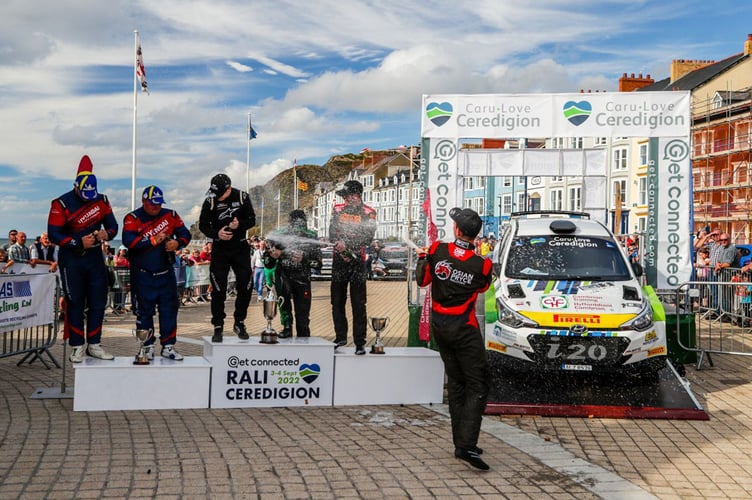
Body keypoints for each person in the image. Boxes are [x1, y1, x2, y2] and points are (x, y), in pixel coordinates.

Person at [415, 207, 493, 471]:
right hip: (465, 329)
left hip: (440, 328)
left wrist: (423, 259)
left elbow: (422, 281)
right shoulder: (483, 264)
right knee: (478, 384)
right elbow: (483, 287)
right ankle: (467, 445)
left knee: (458, 383)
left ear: (457, 230)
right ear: (475, 234)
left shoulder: (437, 250)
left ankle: (462, 442)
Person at [47, 155, 119, 363]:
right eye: (84, 193)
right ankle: (77, 346)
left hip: (95, 259)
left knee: (98, 302)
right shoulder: (61, 203)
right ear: (76, 186)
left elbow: (113, 227)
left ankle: (94, 344)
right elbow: (53, 234)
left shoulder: (102, 200)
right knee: (75, 302)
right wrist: (78, 242)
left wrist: (107, 234)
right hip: (71, 261)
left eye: (91, 194)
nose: (88, 197)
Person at [123, 185, 192, 360]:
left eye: (159, 204)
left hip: (165, 273)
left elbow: (185, 234)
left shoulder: (171, 215)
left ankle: (168, 345)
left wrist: (178, 243)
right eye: (153, 204)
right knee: (144, 312)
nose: (156, 207)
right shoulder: (132, 218)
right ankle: (146, 346)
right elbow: (128, 241)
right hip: (142, 274)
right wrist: (152, 240)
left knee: (169, 310)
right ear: (144, 201)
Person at [199, 173, 256, 343]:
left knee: (246, 285)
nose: (217, 197)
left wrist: (240, 225)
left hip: (240, 247)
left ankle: (239, 321)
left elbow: (252, 220)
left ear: (229, 189)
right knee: (218, 289)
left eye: (221, 194)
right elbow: (203, 225)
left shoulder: (242, 196)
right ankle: (218, 325)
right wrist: (216, 234)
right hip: (220, 249)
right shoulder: (210, 201)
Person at [329, 180, 377, 354]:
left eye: (350, 195)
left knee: (358, 304)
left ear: (357, 195)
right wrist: (339, 245)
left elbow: (368, 236)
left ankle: (359, 342)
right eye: (345, 196)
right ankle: (340, 337)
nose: (348, 199)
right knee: (337, 302)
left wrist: (348, 246)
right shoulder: (337, 209)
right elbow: (331, 232)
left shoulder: (369, 212)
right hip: (339, 261)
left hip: (358, 262)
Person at [264, 210, 322, 338]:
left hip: (303, 279)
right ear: (289, 223)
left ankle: (303, 332)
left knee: (303, 312)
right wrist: (274, 255)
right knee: (284, 305)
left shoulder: (311, 237)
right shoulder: (278, 236)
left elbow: (318, 264)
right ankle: (287, 327)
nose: (298, 228)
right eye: (295, 223)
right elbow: (267, 262)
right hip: (283, 277)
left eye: (302, 223)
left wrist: (304, 258)